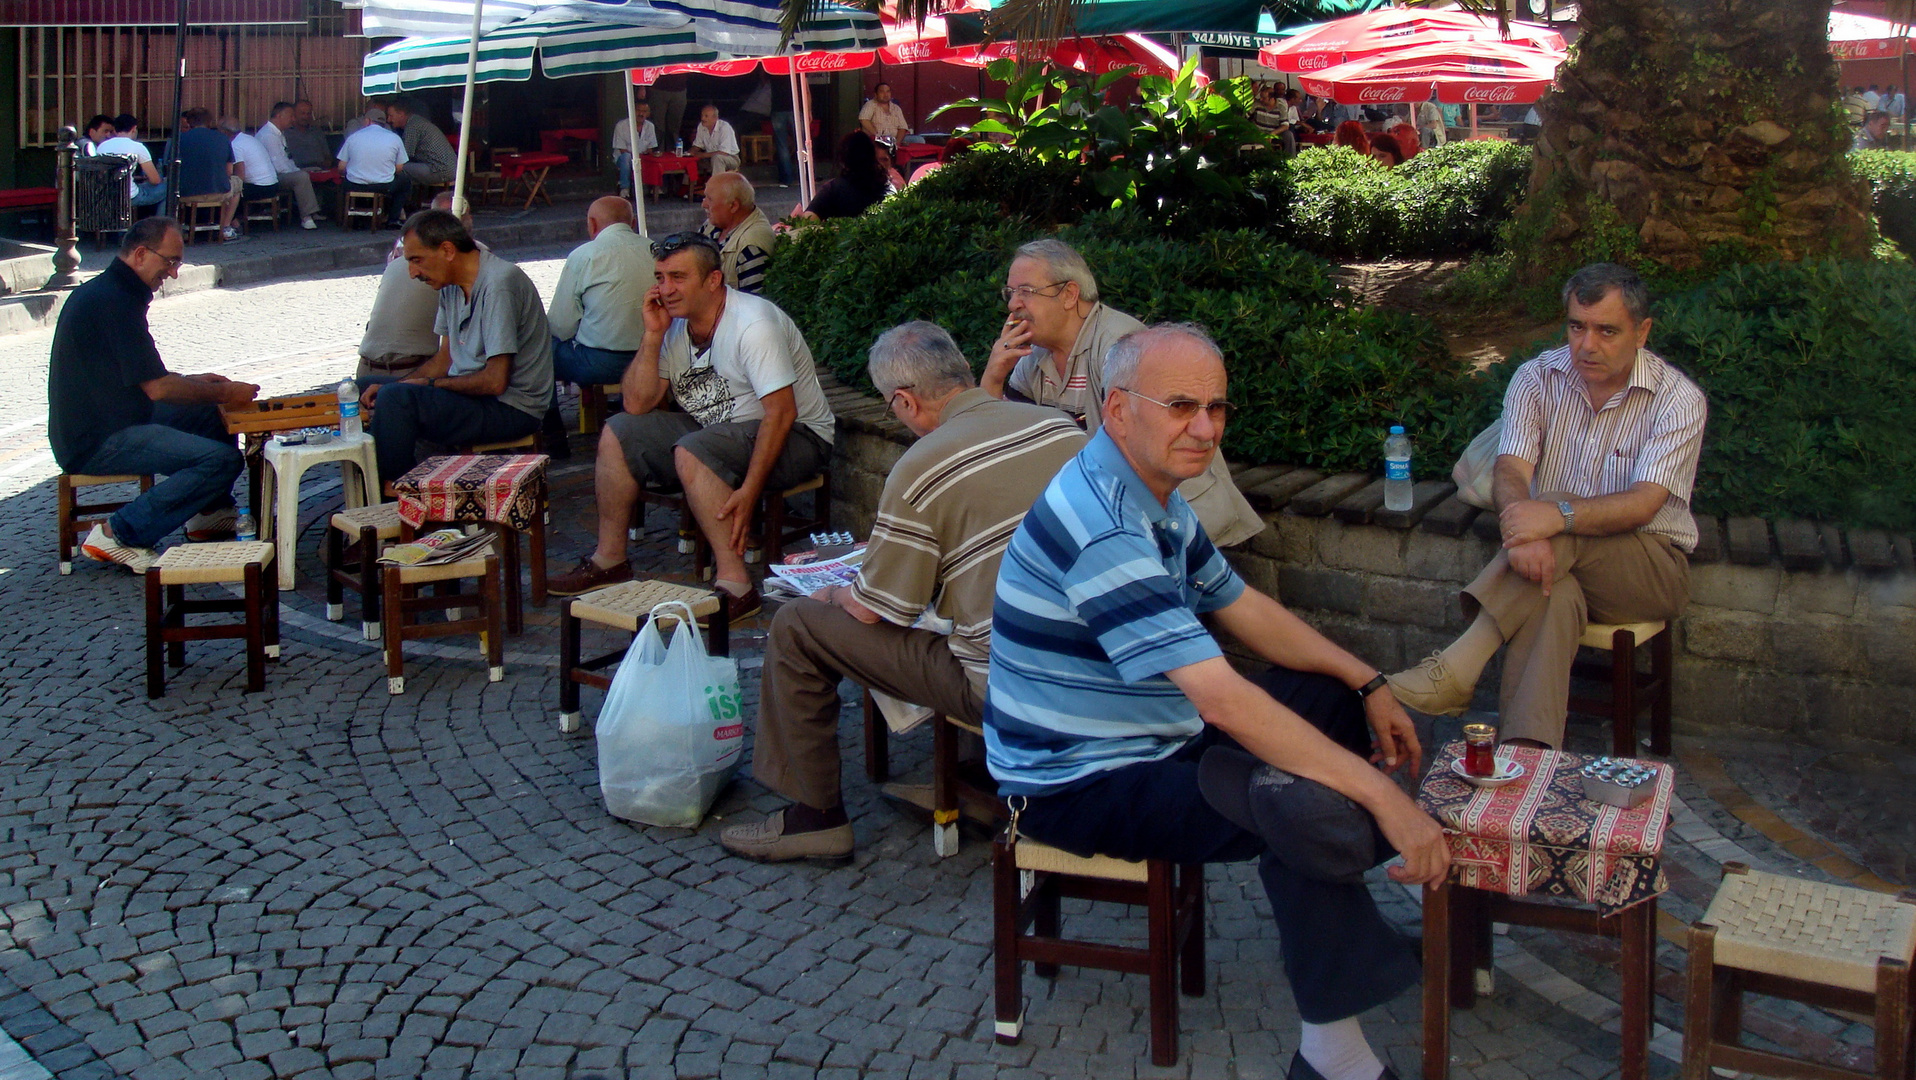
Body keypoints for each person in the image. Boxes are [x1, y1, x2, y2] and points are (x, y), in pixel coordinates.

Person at [985, 322, 1446, 1080]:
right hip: (1073, 781)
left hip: (1155, 737)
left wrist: (1366, 679)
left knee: (1325, 703)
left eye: (1216, 407)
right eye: (1180, 407)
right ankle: (1334, 1056)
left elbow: (1240, 607)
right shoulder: (1104, 525)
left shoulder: (1151, 490)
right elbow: (1223, 700)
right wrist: (1384, 800)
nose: (1204, 428)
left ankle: (1343, 905)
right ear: (1117, 410)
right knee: (1297, 800)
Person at [717, 322, 1088, 863]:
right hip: (1099, 666)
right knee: (973, 607)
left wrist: (836, 596)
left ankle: (814, 817)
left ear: (905, 401)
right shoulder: (1060, 429)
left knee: (797, 626)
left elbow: (876, 611)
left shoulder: (922, 466)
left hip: (1016, 689)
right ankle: (980, 783)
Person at [1388, 264, 1705, 750]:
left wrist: (1554, 518)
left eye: (1606, 330)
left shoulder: (1677, 400)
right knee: (1551, 594)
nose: (1587, 344)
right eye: (1577, 326)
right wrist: (1525, 529)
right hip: (1554, 561)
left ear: (1642, 332)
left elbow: (1643, 505)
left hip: (1649, 568)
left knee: (1560, 520)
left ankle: (1458, 666)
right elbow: (1510, 471)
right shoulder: (1536, 378)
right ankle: (1527, 760)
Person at [545, 232, 835, 621]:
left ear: (713, 280)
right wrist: (652, 336)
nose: (666, 289)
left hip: (799, 435)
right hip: (715, 428)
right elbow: (636, 403)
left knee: (695, 449)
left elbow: (781, 412)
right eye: (661, 277)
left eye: (678, 278)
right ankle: (609, 559)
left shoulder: (753, 323)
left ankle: (737, 585)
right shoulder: (675, 326)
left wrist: (749, 491)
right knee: (619, 430)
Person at [981, 239, 1264, 548]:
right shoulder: (1035, 355)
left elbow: (1140, 453)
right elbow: (1004, 442)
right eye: (1010, 293)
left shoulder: (1123, 346)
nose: (1013, 304)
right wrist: (994, 376)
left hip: (1177, 519)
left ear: (1069, 295)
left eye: (1026, 291)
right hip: (1111, 513)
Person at [47, 217, 258, 573]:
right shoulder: (114, 301)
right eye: (170, 261)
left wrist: (203, 387)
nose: (173, 273)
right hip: (97, 438)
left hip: (117, 416)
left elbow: (143, 375)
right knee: (221, 460)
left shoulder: (114, 291)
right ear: (141, 254)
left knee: (209, 414)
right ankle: (119, 534)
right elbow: (158, 387)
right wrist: (224, 391)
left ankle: (209, 513)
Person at [363, 210, 553, 483]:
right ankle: (374, 482)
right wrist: (404, 384)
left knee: (396, 400)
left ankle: (396, 497)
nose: (412, 272)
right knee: (367, 388)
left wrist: (424, 386)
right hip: (474, 397)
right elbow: (444, 360)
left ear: (448, 250)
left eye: (417, 260)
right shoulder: (450, 285)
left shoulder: (499, 284)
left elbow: (495, 382)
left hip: (512, 407)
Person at [541, 196, 655, 454]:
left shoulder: (584, 256)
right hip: (654, 359)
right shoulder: (655, 249)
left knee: (541, 347)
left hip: (600, 365)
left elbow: (560, 324)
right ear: (633, 222)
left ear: (592, 224)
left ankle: (552, 430)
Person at [357, 192, 472, 385]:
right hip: (411, 369)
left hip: (367, 367)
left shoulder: (400, 256)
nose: (413, 273)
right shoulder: (465, 259)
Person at [699, 172, 775, 295]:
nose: (704, 204)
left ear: (733, 206)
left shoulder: (751, 246)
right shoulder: (713, 224)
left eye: (710, 199)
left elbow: (754, 305)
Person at [337, 109, 411, 230]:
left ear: (368, 121)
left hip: (355, 185)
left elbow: (341, 167)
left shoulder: (353, 137)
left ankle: (356, 220)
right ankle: (392, 219)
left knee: (346, 182)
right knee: (405, 182)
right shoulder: (394, 138)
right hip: (383, 186)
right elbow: (399, 168)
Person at [176, 108, 244, 240]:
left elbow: (170, 169)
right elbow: (229, 171)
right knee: (238, 183)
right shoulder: (223, 139)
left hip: (185, 194)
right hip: (218, 192)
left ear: (189, 123)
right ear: (210, 122)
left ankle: (177, 228)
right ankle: (225, 227)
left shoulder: (177, 140)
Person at [254, 103, 323, 230]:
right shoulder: (269, 136)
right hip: (273, 177)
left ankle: (313, 212)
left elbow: (287, 159)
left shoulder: (278, 133)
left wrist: (299, 170)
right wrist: (298, 172)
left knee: (311, 172)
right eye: (291, 116)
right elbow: (280, 167)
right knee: (301, 177)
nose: (293, 119)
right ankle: (306, 216)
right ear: (279, 116)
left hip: (281, 172)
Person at [796, 131, 888, 221]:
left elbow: (808, 221)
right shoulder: (886, 186)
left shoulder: (833, 189)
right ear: (873, 157)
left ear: (842, 160)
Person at [98, 115, 167, 208]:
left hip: (107, 195)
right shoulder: (138, 147)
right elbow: (155, 180)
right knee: (168, 189)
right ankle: (161, 221)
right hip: (130, 196)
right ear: (134, 129)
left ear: (115, 129)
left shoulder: (102, 146)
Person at [385, 98, 457, 186]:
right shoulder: (417, 121)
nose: (388, 120)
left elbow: (404, 156)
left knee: (398, 168)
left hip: (440, 170)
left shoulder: (412, 126)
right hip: (448, 169)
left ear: (401, 114)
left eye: (391, 116)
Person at [612, 101, 658, 198]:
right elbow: (622, 150)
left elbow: (651, 148)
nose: (641, 114)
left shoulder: (650, 126)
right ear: (632, 111)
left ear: (648, 113)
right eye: (638, 111)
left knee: (655, 159)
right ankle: (625, 189)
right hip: (624, 158)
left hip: (643, 157)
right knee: (626, 157)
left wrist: (645, 154)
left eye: (644, 111)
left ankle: (654, 189)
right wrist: (636, 158)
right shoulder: (621, 126)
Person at [690, 103, 740, 179]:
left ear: (715, 118)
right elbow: (697, 145)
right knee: (690, 161)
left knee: (717, 158)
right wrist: (691, 152)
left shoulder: (724, 127)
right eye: (702, 115)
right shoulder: (701, 126)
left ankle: (717, 188)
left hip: (731, 158)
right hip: (709, 158)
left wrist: (701, 155)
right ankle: (687, 187)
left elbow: (724, 152)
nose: (702, 118)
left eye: (706, 116)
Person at [282, 100, 333, 169]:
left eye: (308, 114)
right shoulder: (285, 132)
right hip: (296, 171)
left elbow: (327, 154)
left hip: (319, 169)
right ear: (294, 114)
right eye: (302, 113)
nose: (306, 117)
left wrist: (327, 163)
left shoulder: (317, 131)